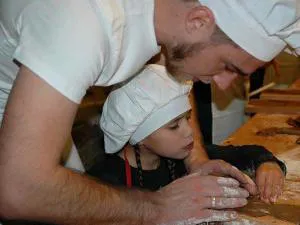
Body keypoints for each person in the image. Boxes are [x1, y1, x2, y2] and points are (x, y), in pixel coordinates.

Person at [0, 0, 299, 224]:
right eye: (228, 67)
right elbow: (17, 189)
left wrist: (196, 161)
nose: (223, 84)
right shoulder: (82, 23)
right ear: (198, 20)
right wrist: (156, 208)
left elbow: (171, 78)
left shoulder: (163, 18)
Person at [87, 64, 286, 205]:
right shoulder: (102, 184)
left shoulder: (178, 159)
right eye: (174, 126)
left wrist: (267, 164)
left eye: (187, 118)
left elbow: (249, 153)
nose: (189, 131)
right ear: (139, 137)